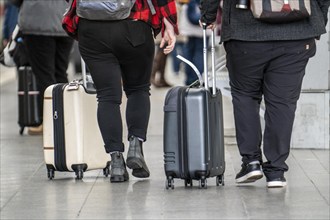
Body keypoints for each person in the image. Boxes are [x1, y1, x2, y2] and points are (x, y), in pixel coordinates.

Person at [200, 0, 330, 188]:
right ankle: (276, 170)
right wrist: (319, 20)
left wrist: (208, 16)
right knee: (283, 102)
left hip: (245, 32)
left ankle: (251, 162)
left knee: (245, 95)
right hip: (297, 32)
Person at [77, 0, 178, 182]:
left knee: (107, 96)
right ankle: (135, 147)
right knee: (138, 89)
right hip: (134, 24)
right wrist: (169, 23)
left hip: (91, 28)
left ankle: (116, 162)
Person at [15, 0, 74, 135]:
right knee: (60, 72)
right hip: (64, 19)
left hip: (37, 21)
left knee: (44, 75)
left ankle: (49, 121)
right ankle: (64, 119)